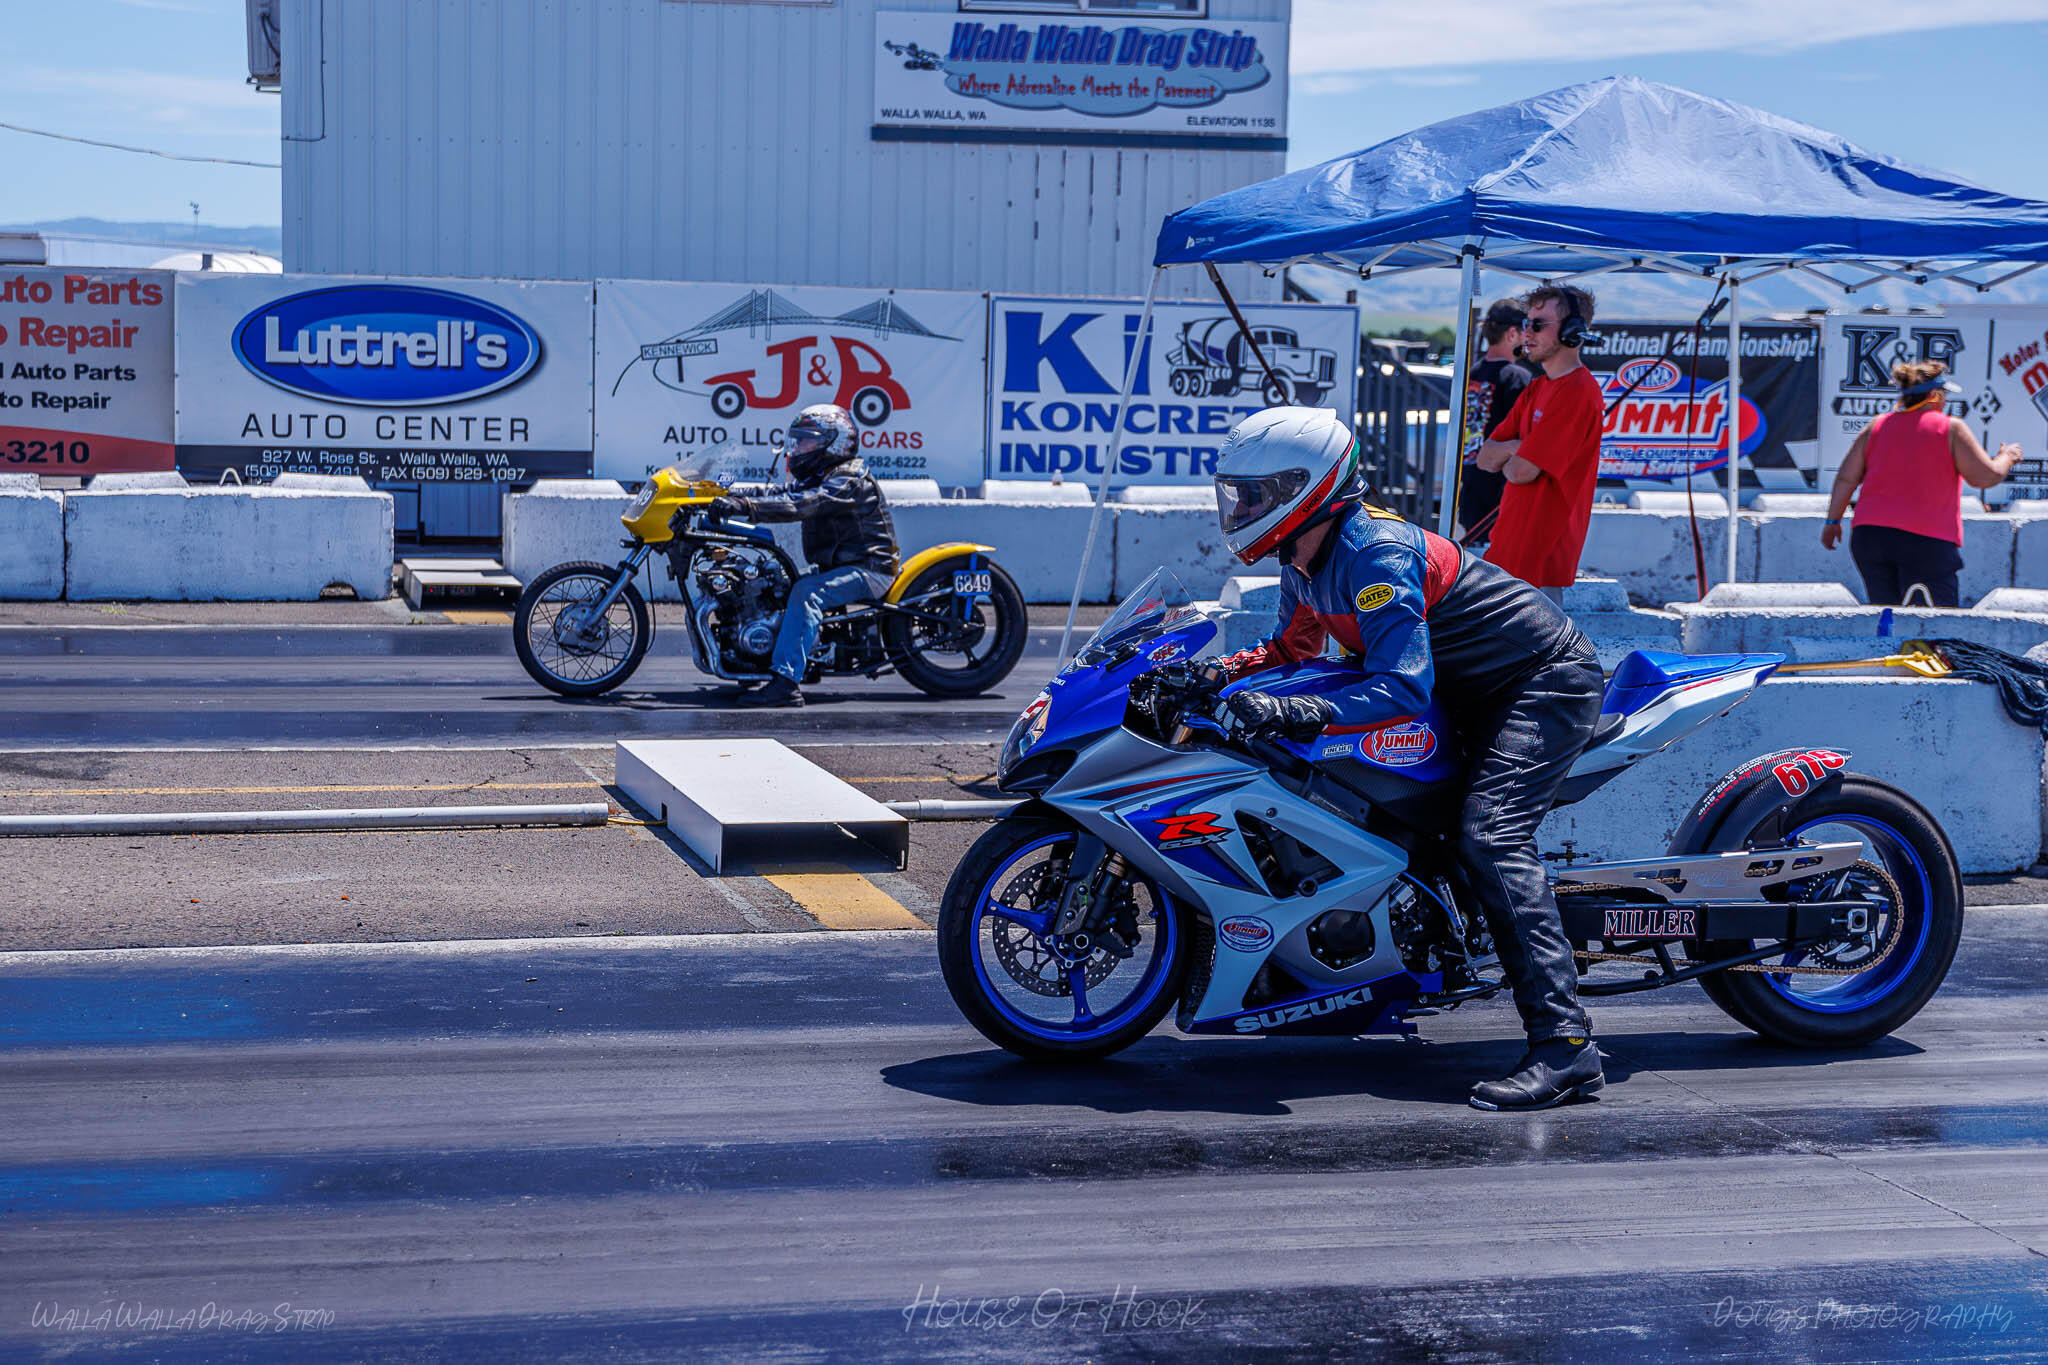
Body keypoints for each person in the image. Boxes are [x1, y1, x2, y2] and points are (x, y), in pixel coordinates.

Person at [1211, 406, 1607, 1111]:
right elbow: (1290, 651)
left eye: (1256, 494)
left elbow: (1398, 683)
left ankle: (1566, 1047)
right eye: (1238, 494)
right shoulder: (1305, 557)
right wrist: (1215, 673)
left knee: (1490, 835)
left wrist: (1299, 708)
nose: (1242, 508)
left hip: (1538, 682)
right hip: (1466, 689)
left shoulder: (1374, 554)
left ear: (1307, 487)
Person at [711, 404, 899, 708]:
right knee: (774, 583)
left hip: (869, 569)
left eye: (806, 440)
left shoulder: (847, 479)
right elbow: (777, 494)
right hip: (841, 566)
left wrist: (745, 507)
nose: (798, 447)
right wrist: (722, 496)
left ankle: (785, 684)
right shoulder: (821, 474)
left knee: (806, 594)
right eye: (797, 440)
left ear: (833, 442)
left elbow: (803, 504)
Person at [1822, 360, 2023, 607]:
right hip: (1926, 542)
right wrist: (2008, 457)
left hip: (1871, 538)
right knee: (1935, 624)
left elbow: (1846, 478)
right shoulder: (1950, 428)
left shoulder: (1877, 425)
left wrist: (1832, 522)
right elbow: (1985, 477)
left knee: (1886, 615)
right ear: (1933, 396)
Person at [1473, 284, 1604, 602]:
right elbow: (1485, 459)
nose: (1526, 332)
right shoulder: (1536, 387)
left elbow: (1519, 472)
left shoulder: (1578, 391)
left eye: (1538, 324)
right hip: (1508, 557)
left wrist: (1514, 452)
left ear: (1573, 331)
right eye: (1526, 323)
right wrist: (1519, 447)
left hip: (1539, 568)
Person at [1457, 300, 1536, 542]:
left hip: (1470, 484)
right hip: (1500, 489)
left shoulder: (1471, 373)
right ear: (1512, 334)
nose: (1528, 338)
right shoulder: (1518, 378)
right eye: (1525, 331)